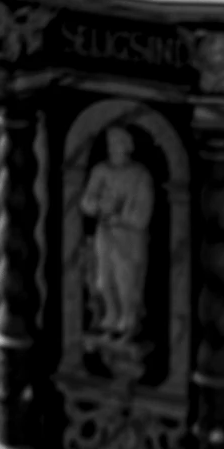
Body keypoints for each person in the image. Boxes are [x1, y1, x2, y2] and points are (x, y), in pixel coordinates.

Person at [79, 127, 154, 340]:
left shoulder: (140, 175)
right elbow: (87, 202)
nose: (114, 147)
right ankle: (110, 317)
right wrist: (101, 206)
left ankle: (128, 321)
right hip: (105, 234)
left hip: (129, 239)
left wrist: (119, 216)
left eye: (119, 142)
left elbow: (142, 215)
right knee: (104, 280)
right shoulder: (101, 171)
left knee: (126, 282)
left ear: (128, 146)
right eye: (111, 143)